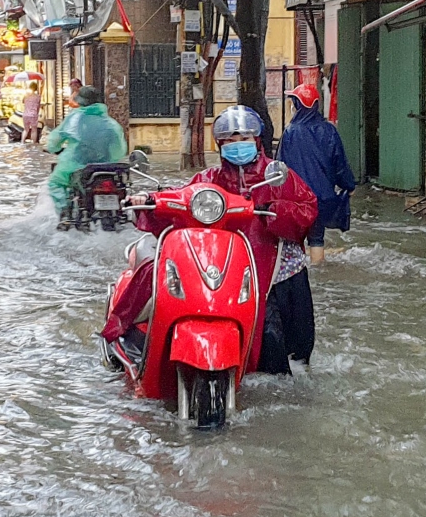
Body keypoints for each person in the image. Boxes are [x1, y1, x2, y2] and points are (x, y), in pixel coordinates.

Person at [104, 106, 318, 375]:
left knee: (281, 349)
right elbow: (181, 198)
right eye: (229, 141)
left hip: (277, 271)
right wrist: (148, 200)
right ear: (219, 145)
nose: (237, 146)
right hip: (227, 269)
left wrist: (274, 209)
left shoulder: (277, 176)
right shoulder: (210, 180)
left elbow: (308, 209)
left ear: (257, 141)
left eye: (244, 139)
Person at [279, 83, 356, 266]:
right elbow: (340, 163)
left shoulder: (290, 132)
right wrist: (349, 185)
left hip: (296, 199)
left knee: (293, 240)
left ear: (298, 105)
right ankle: (318, 267)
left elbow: (279, 167)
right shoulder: (329, 131)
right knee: (316, 239)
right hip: (321, 198)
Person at [45, 86, 127, 228]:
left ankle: (65, 214)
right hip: (106, 167)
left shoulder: (75, 118)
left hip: (78, 165)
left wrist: (52, 148)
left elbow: (55, 141)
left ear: (81, 102)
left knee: (55, 182)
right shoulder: (110, 122)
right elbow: (119, 150)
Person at [21, 80, 42, 144]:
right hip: (33, 115)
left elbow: (23, 102)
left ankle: (22, 142)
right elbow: (38, 106)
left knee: (26, 129)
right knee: (34, 129)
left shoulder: (26, 96)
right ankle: (34, 143)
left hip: (25, 115)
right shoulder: (38, 97)